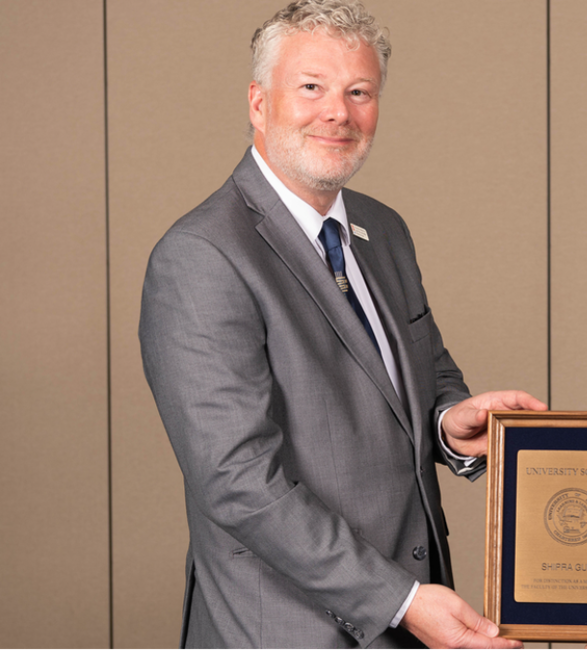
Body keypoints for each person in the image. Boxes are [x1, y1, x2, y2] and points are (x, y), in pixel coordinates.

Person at [138, 1, 543, 647]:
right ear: (258, 103)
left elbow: (421, 375)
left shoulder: (384, 230)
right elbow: (237, 480)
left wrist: (449, 424)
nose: (339, 112)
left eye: (360, 92)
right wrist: (399, 600)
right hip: (284, 629)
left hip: (409, 613)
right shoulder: (203, 255)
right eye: (311, 87)